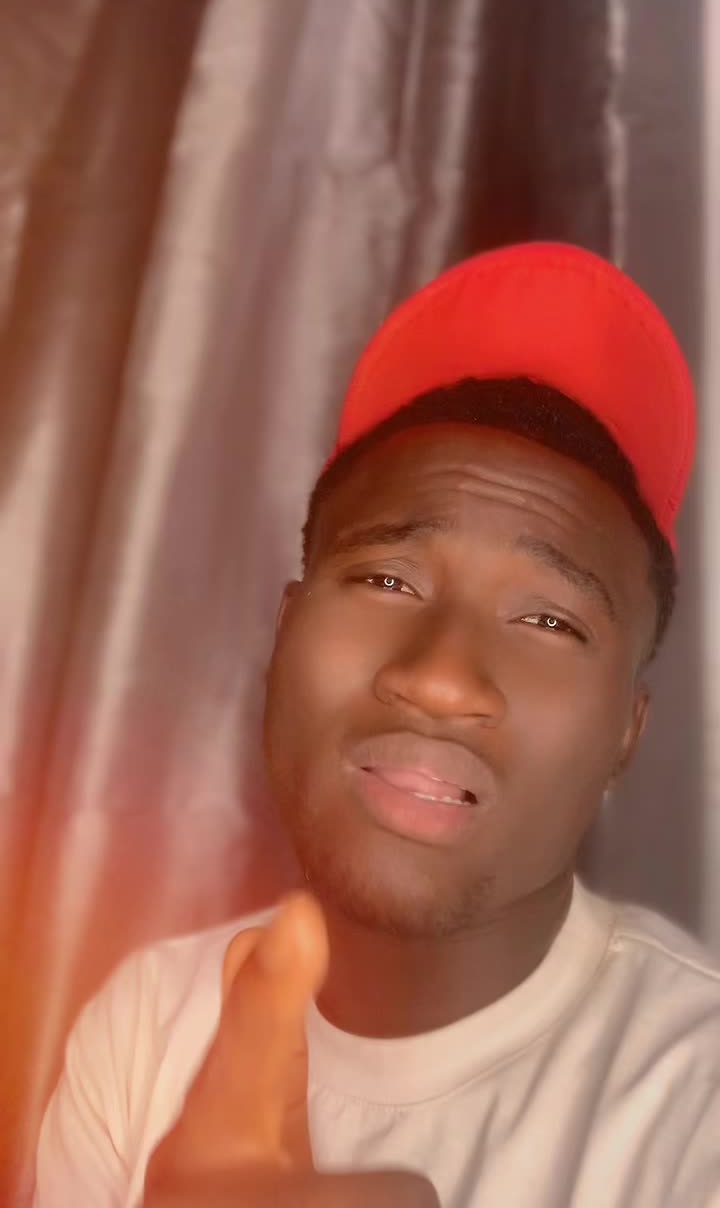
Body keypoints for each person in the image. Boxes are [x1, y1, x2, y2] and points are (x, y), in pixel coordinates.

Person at [34, 242, 720, 1208]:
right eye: (388, 580)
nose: (439, 679)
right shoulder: (145, 1028)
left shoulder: (696, 1103)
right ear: (286, 630)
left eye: (549, 622)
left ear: (627, 735)